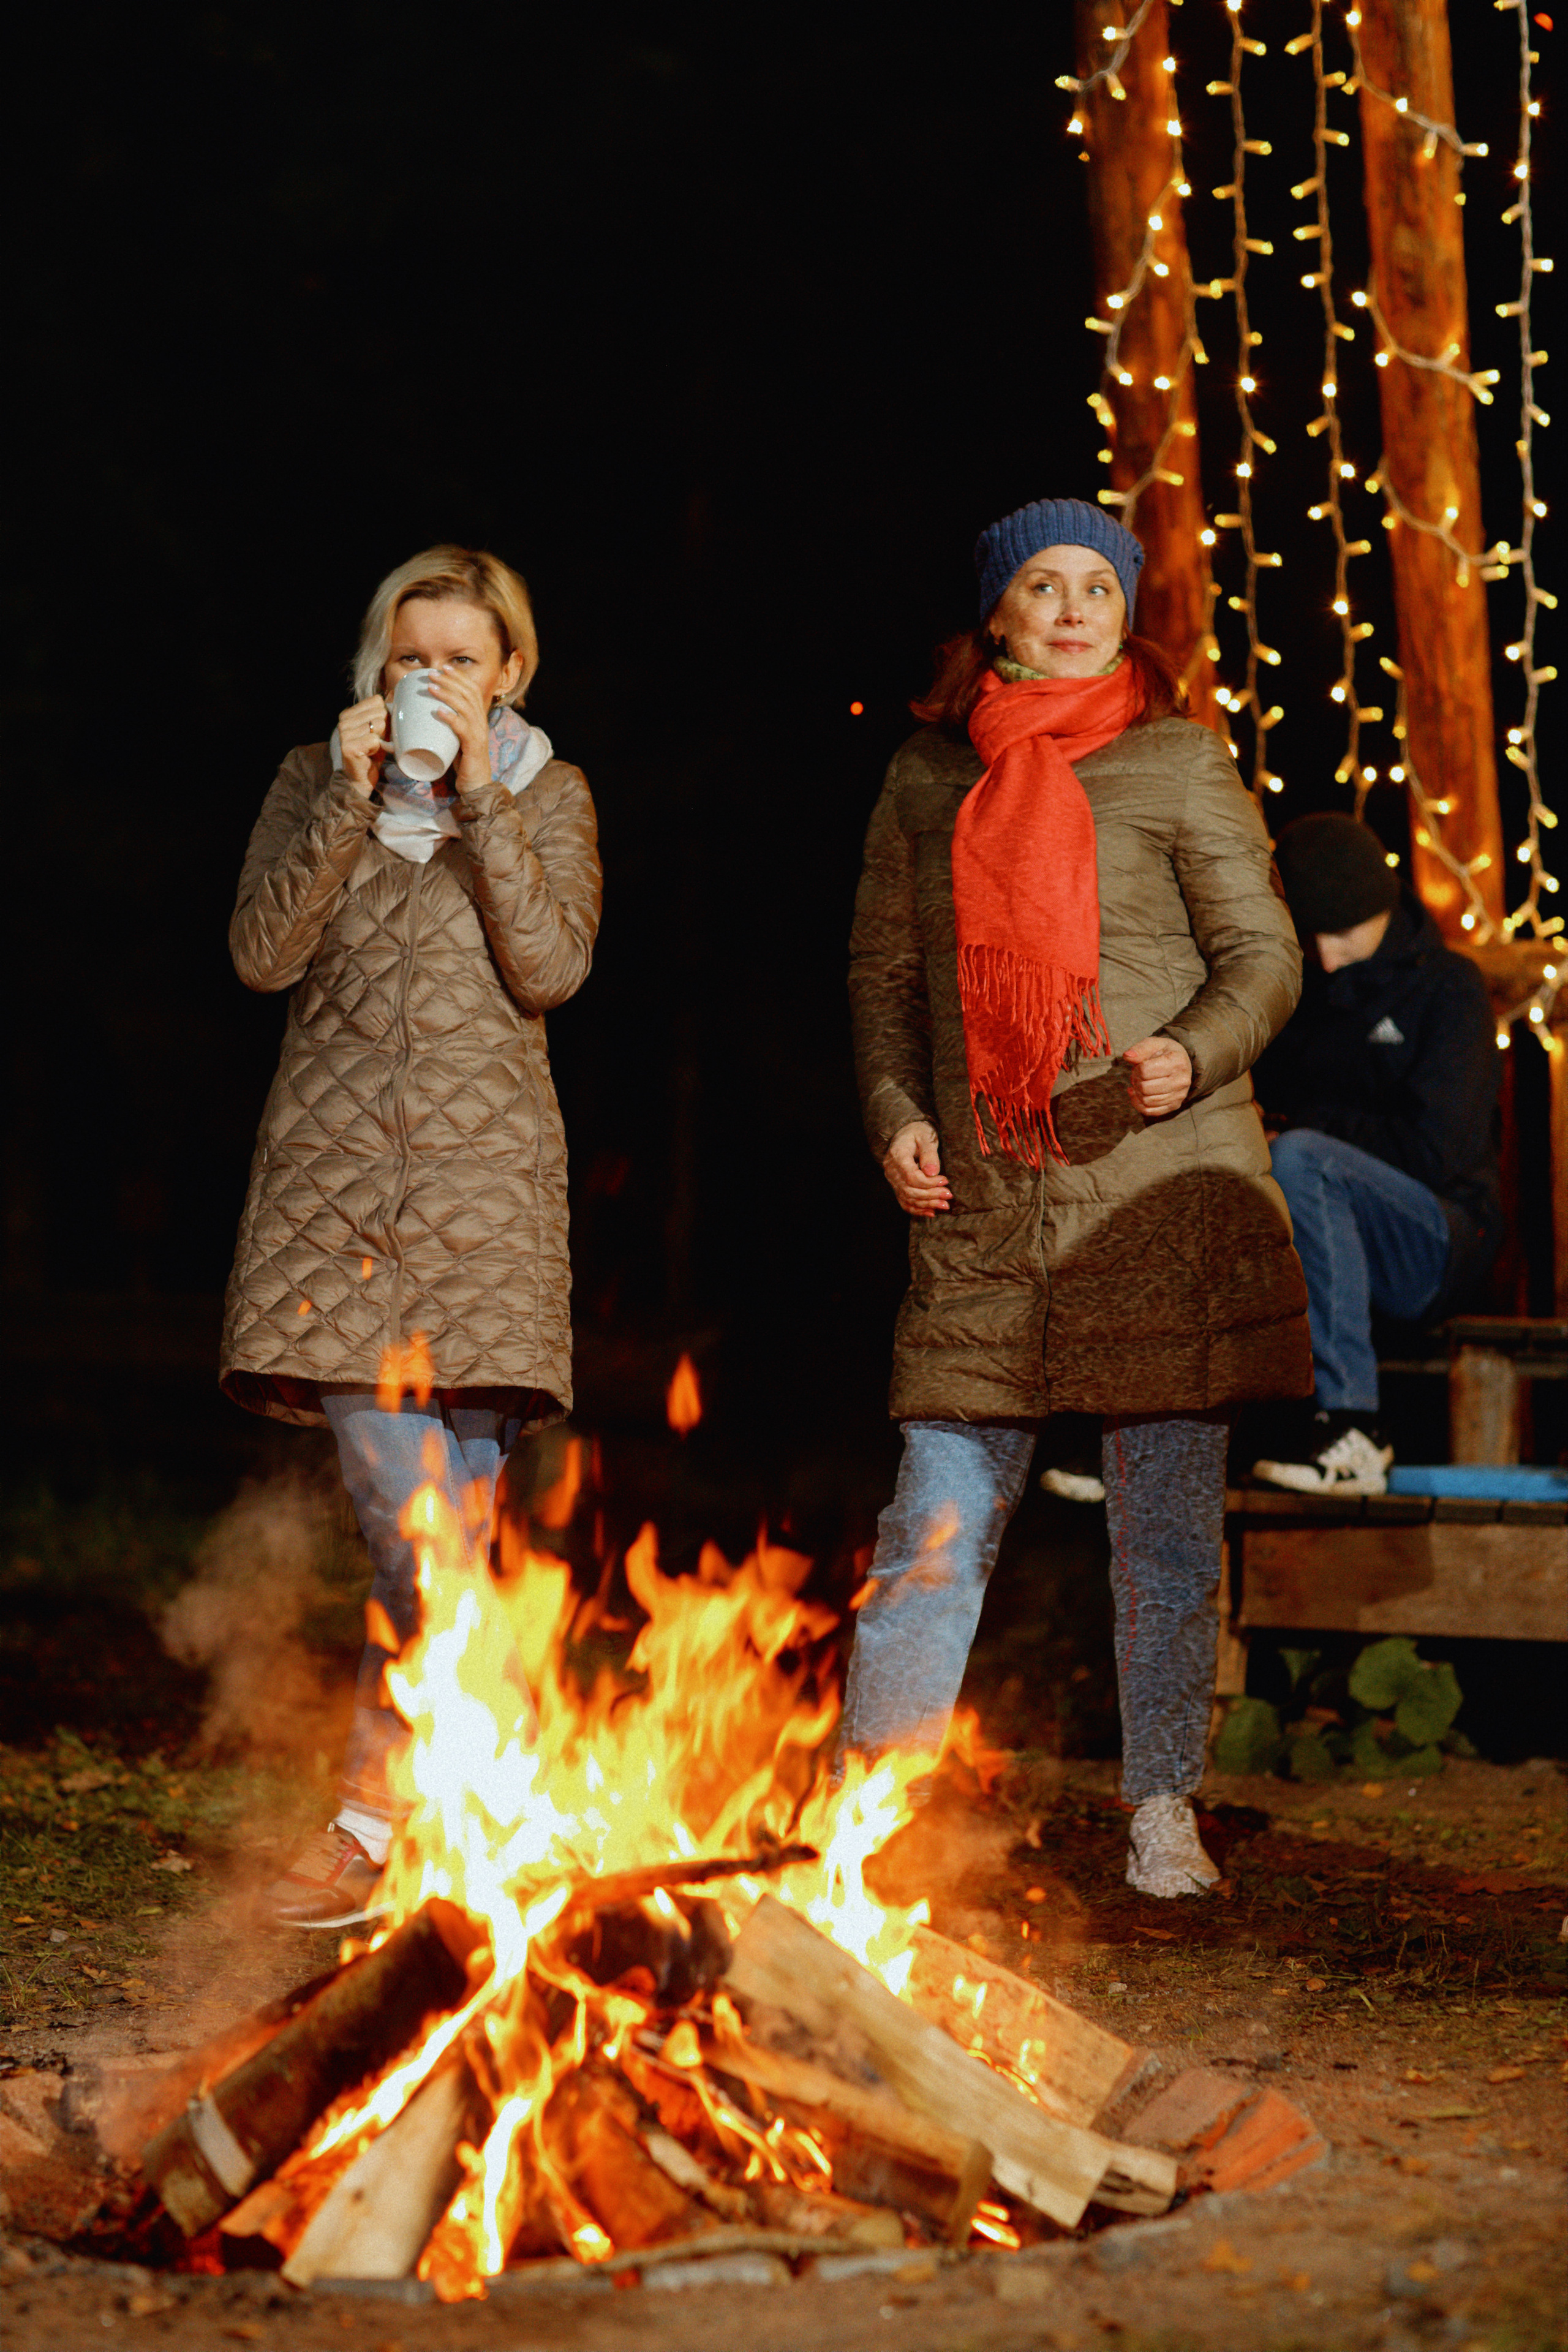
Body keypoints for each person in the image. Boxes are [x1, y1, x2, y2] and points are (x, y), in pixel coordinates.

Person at [843, 497, 1311, 1898]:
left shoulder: (1177, 759)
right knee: (931, 1529)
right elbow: (884, 982)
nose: (1067, 609)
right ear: (996, 613)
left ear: (1123, 614)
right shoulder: (925, 778)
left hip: (1151, 1193)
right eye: (1040, 586)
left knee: (1160, 1531)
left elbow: (1262, 955)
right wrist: (893, 1114)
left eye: (1094, 588)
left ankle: (1160, 1804)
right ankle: (864, 1827)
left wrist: (1195, 1048)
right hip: (984, 1203)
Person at [220, 545, 601, 1928]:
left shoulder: (551, 792)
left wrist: (481, 795)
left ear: (510, 675)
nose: (432, 679)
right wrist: (346, 796)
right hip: (330, 1218)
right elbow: (260, 956)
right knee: (416, 1535)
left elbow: (551, 967)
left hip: (489, 1213)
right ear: (377, 668)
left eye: (461, 659)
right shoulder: (310, 780)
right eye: (411, 657)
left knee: (446, 1552)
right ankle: (487, 1801)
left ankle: (385, 1829)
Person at [1250, 812, 1502, 1495]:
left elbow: (1439, 1150)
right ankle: (1142, 1441)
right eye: (1311, 938)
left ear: (1379, 908)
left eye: (1340, 933)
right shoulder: (1305, 994)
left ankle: (1355, 1429)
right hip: (1324, 1240)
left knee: (1300, 1159)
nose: (1326, 956)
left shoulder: (1449, 988)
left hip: (1441, 1239)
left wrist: (1300, 1132)